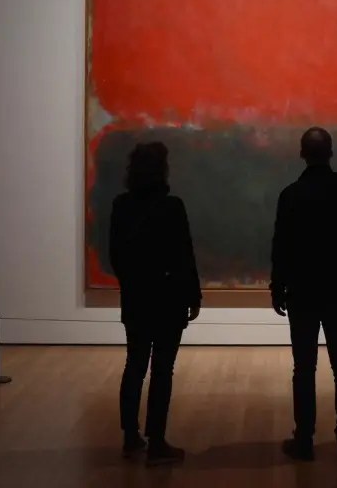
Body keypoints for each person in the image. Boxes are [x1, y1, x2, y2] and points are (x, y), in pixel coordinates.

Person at [270, 127, 337, 461]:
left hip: (302, 290)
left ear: (302, 153)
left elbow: (280, 247)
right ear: (330, 154)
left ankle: (304, 441)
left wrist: (276, 287)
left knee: (304, 368)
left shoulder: (290, 195)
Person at [108, 141, 203, 466]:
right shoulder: (172, 206)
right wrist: (193, 296)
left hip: (136, 298)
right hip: (168, 299)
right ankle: (157, 440)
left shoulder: (121, 206)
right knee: (162, 370)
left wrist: (133, 283)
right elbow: (184, 255)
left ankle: (130, 436)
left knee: (134, 365)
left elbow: (115, 256)